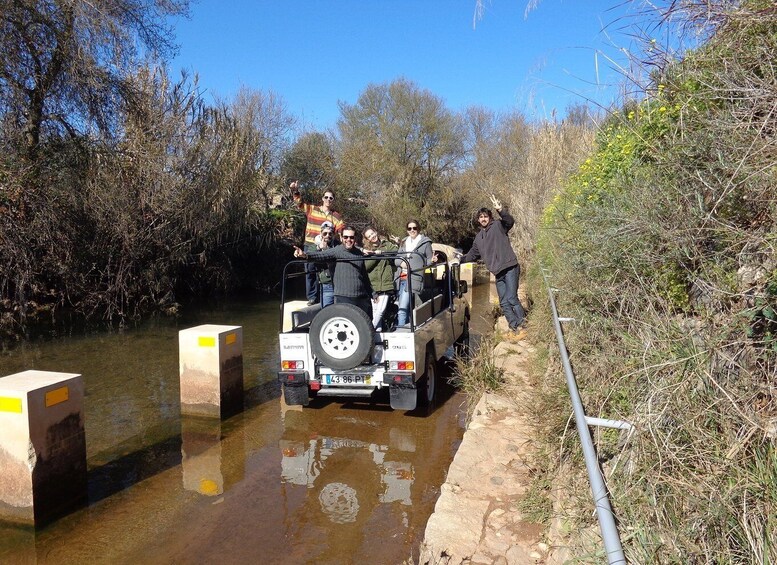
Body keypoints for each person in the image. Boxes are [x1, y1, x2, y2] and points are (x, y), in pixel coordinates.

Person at [461, 194, 527, 335]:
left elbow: (509, 221)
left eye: (485, 216)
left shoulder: (498, 225)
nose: (483, 219)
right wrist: (457, 260)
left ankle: (522, 324)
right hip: (498, 272)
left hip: (510, 267)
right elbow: (472, 254)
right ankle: (514, 326)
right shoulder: (479, 238)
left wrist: (500, 210)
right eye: (481, 217)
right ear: (478, 220)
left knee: (511, 298)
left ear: (489, 217)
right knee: (503, 302)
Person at [293, 226, 373, 319]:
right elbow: (320, 255)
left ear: (355, 238)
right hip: (344, 297)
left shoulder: (359, 253)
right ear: (341, 237)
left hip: (362, 297)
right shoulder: (337, 250)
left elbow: (364, 275)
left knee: (368, 325)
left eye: (351, 237)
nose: (348, 240)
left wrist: (372, 293)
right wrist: (304, 254)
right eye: (346, 237)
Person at [290, 181, 344, 305]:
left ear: (333, 200)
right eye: (326, 197)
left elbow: (341, 231)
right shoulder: (313, 209)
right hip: (310, 244)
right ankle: (312, 297)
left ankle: (325, 297)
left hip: (327, 247)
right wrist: (295, 190)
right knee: (310, 271)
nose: (328, 200)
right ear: (322, 198)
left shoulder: (336, 216)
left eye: (331, 198)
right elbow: (299, 204)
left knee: (326, 271)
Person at [394, 219, 433, 327]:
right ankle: (407, 328)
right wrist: (403, 264)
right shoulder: (404, 242)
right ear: (407, 230)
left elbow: (428, 261)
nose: (412, 230)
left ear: (418, 229)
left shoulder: (425, 243)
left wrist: (432, 261)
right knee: (406, 307)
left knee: (402, 308)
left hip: (414, 279)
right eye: (409, 228)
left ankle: (401, 332)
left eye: (414, 228)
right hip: (401, 278)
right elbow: (396, 260)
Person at [363, 226, 398, 330]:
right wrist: (375, 255)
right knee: (375, 312)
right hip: (373, 284)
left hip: (385, 283)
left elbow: (396, 251)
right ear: (367, 239)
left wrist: (397, 243)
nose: (372, 236)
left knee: (381, 311)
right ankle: (376, 335)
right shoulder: (368, 249)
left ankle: (369, 330)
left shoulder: (386, 245)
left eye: (372, 233)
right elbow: (366, 266)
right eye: (369, 236)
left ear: (376, 232)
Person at [314, 222, 338, 307]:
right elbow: (311, 258)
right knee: (326, 311)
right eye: (325, 233)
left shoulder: (338, 246)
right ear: (321, 234)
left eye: (330, 234)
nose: (327, 235)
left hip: (340, 283)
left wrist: (326, 250)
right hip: (327, 284)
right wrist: (321, 250)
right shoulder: (315, 247)